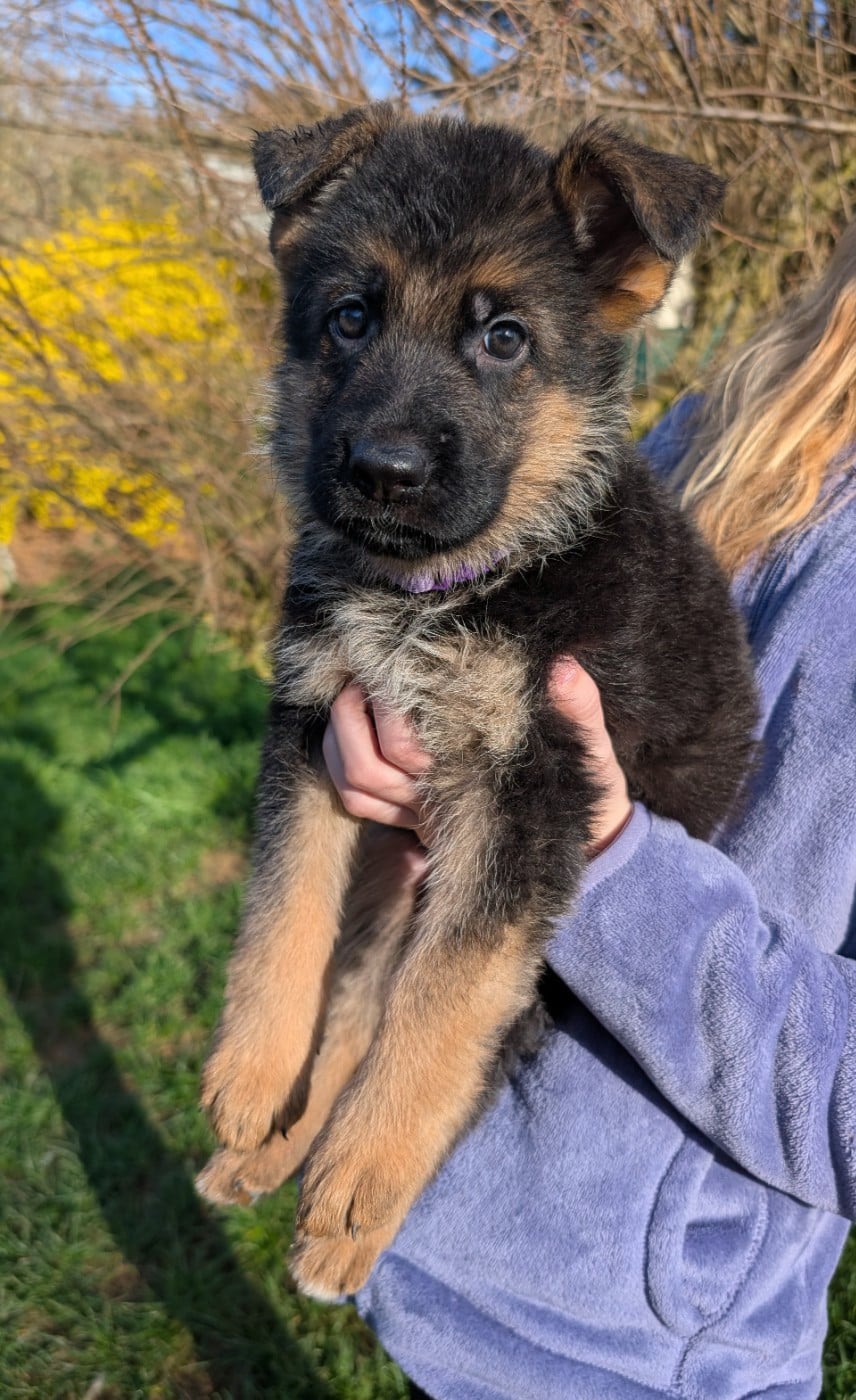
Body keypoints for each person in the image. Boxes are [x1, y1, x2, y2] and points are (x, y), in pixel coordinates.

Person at [321, 222, 856, 1400]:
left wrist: (604, 859)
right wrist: (385, 740)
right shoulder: (731, 420)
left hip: (631, 1351)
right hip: (439, 1219)